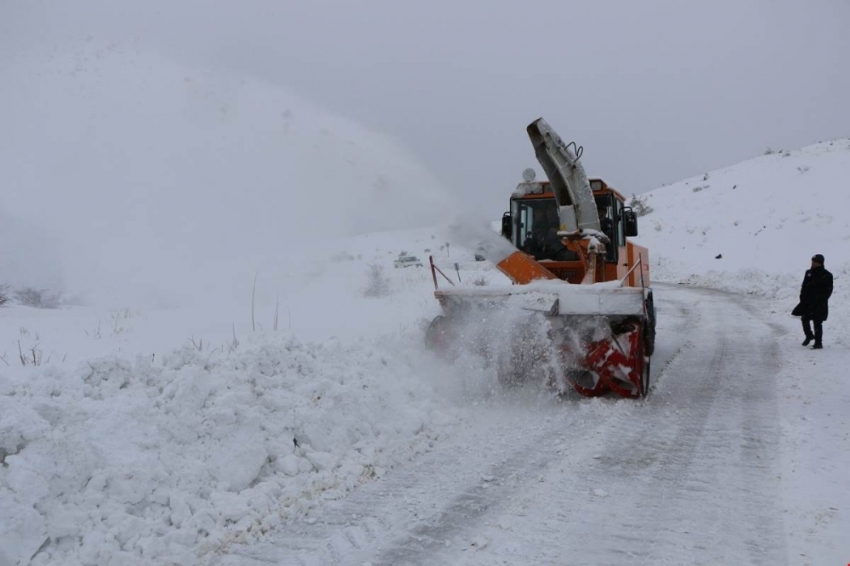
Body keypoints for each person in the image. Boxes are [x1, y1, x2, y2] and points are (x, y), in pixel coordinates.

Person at [792, 254, 833, 349]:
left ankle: (818, 343)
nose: (812, 263)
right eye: (812, 261)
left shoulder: (827, 275)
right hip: (807, 302)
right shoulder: (808, 273)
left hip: (819, 303)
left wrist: (821, 300)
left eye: (815, 261)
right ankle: (809, 335)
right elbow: (804, 286)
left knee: (817, 322)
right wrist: (802, 298)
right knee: (804, 319)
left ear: (820, 263)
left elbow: (828, 290)